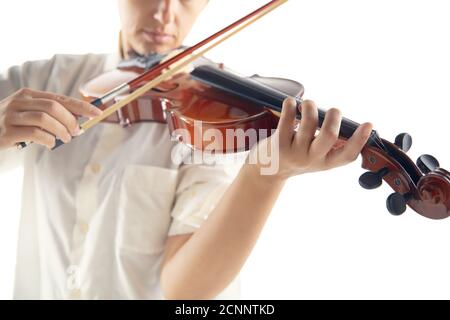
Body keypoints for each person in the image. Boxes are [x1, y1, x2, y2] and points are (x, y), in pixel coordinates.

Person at [0, 0, 373, 299]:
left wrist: (266, 174)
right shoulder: (42, 81)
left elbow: (184, 291)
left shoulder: (213, 117)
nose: (164, 13)